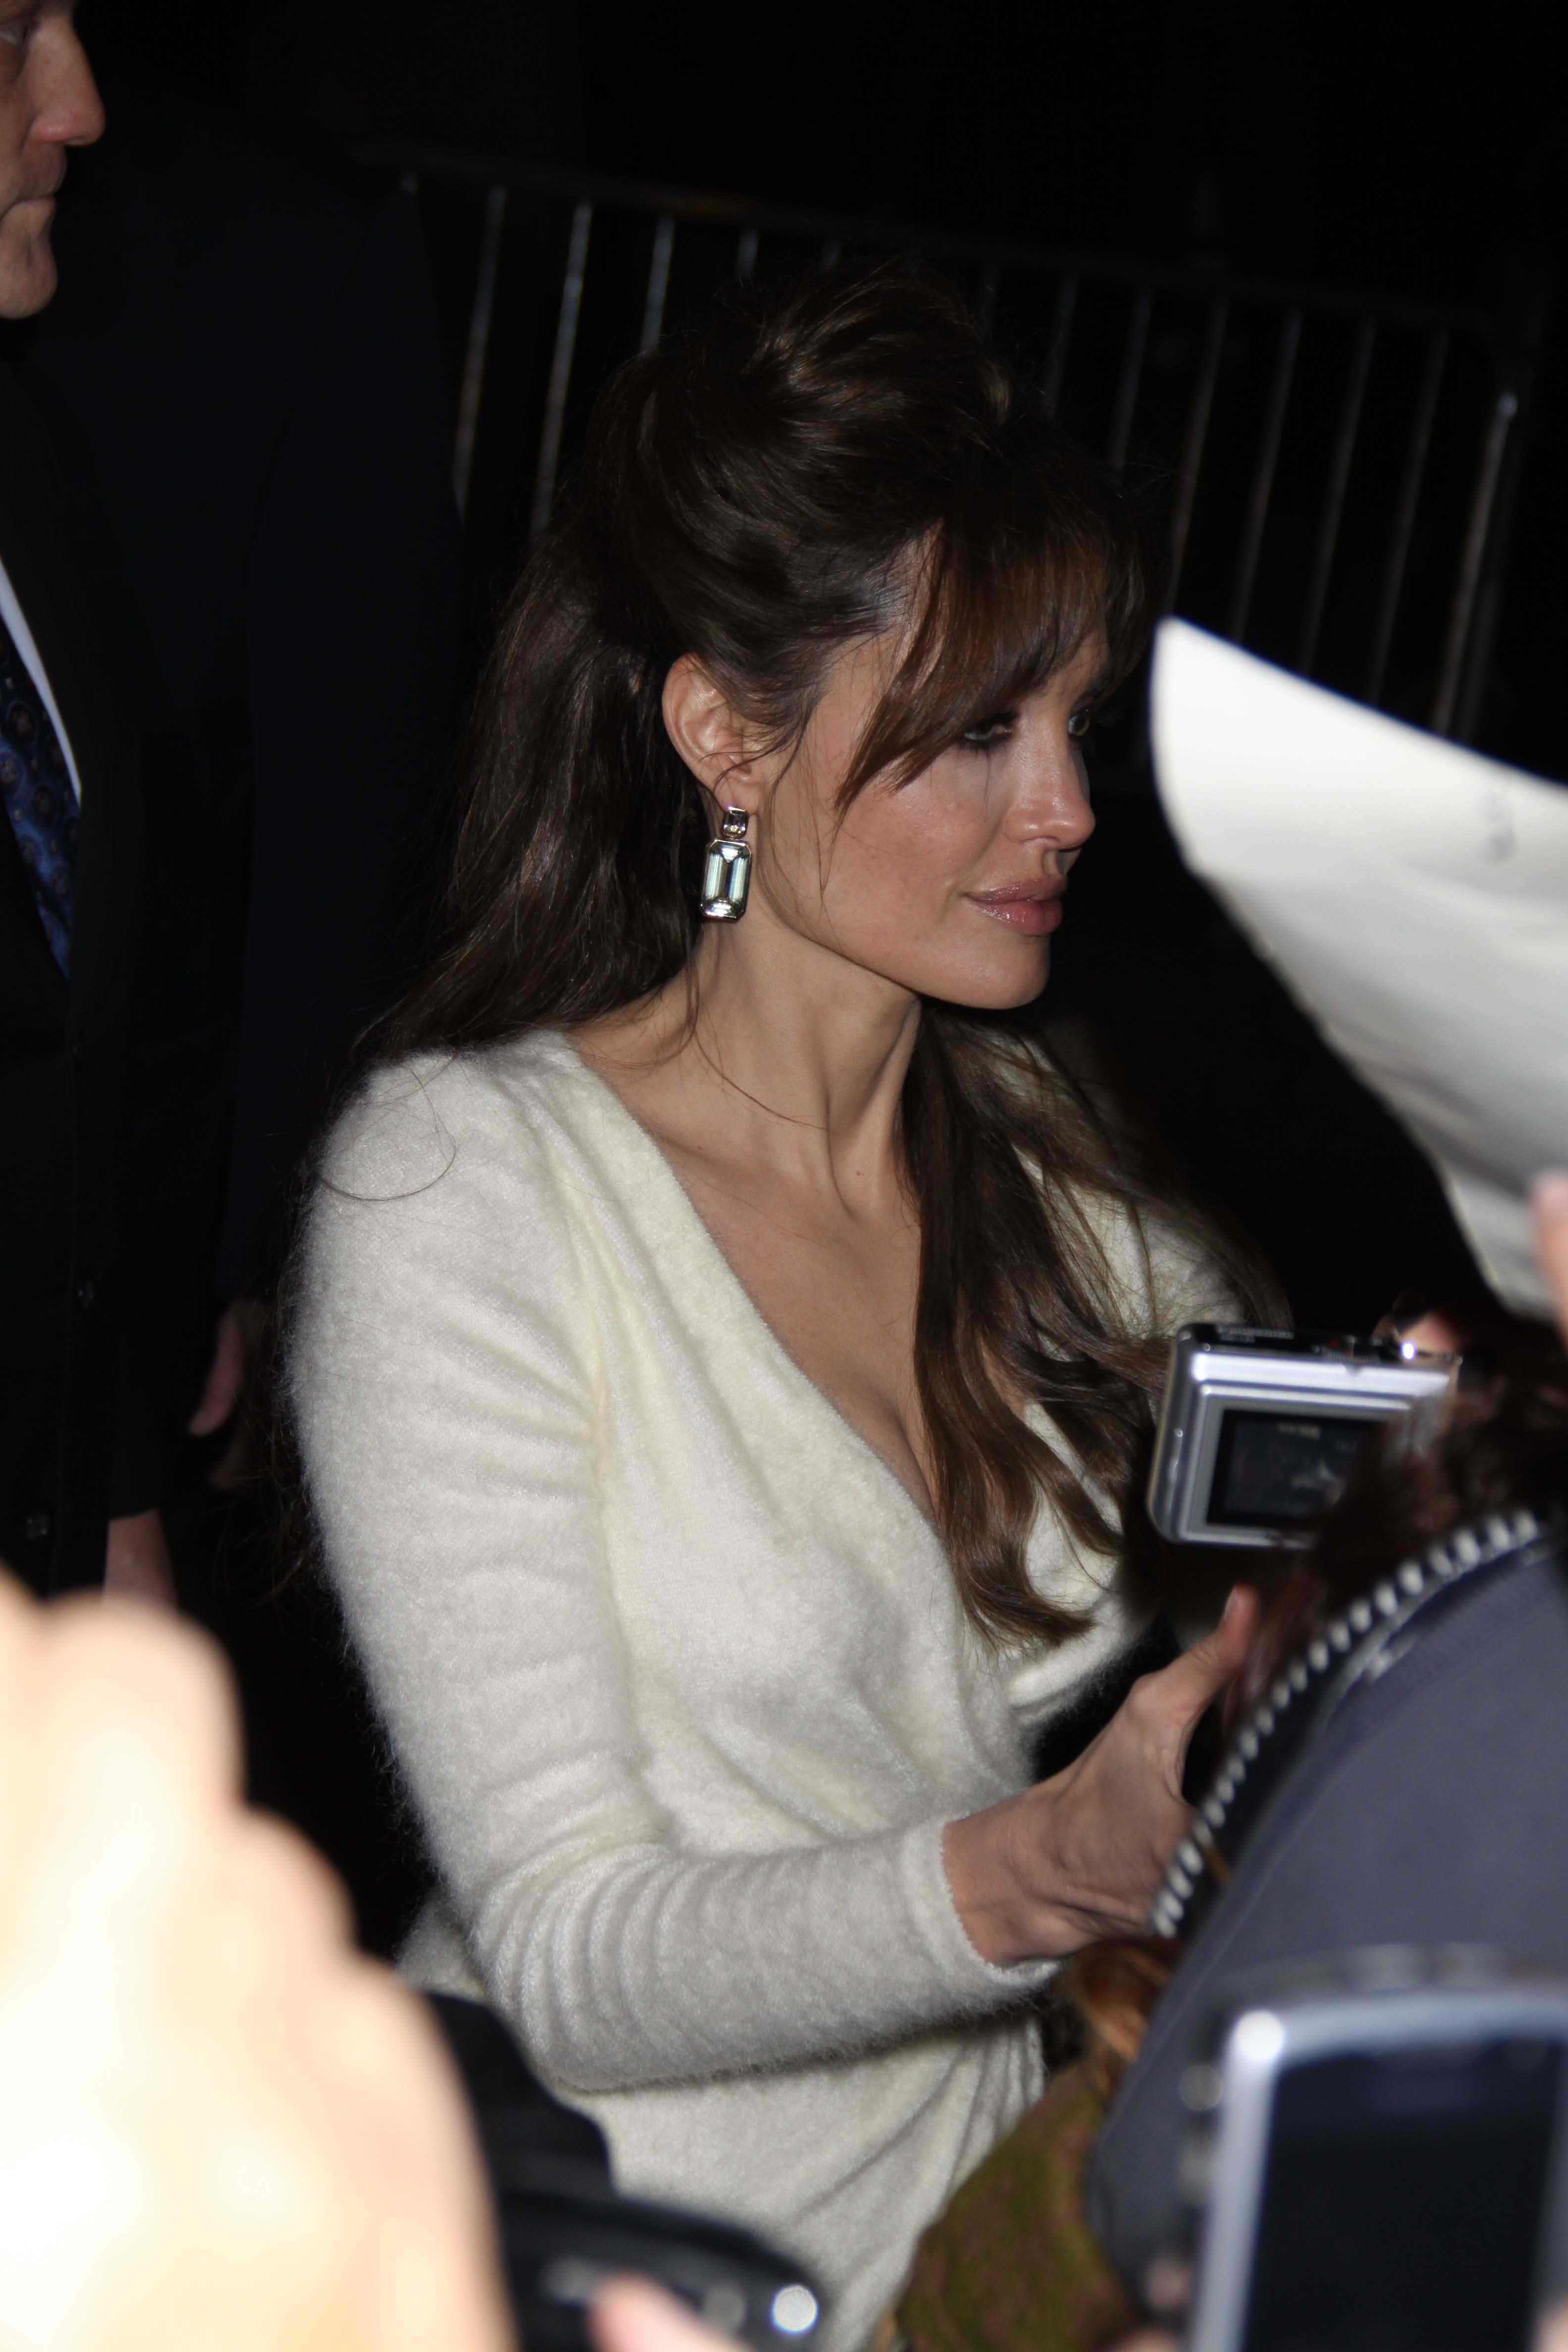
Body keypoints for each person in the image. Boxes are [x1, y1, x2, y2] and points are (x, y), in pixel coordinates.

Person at [287, 263, 1273, 2350]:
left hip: (977, 2246)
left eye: (1076, 726)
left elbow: (1268, 1595)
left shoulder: (1062, 1183)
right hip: (582, 2262)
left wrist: (1432, 1473)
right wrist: (1037, 1876)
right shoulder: (468, 1190)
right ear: (728, 737)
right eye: (979, 734)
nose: (1070, 810)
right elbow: (573, 1948)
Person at [1, 0, 179, 1602]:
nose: (79, 106)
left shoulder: (31, 447)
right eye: (6, 33)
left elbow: (68, 1060)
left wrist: (109, 1501)